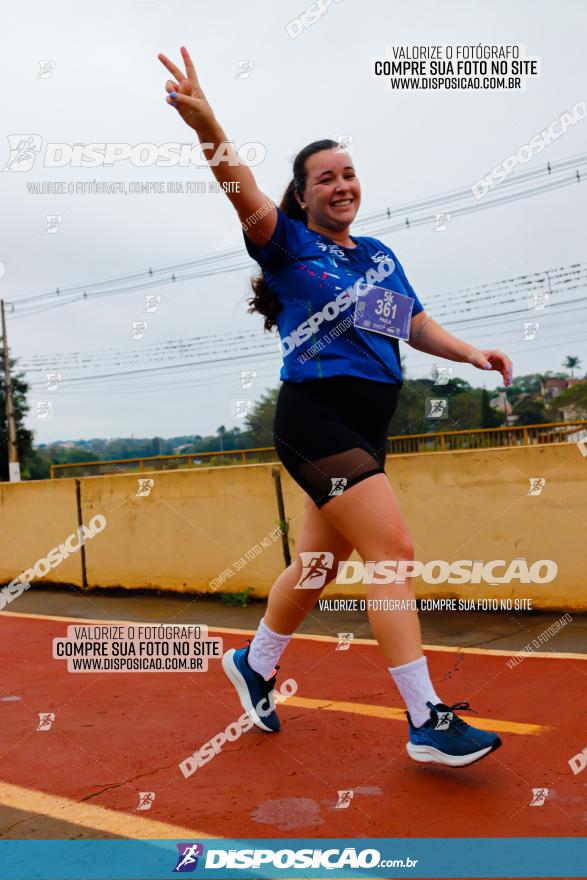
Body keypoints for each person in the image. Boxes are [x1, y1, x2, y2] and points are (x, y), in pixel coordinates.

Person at [159, 46, 514, 767]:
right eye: (325, 178)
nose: (341, 184)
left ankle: (254, 663)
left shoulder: (374, 257)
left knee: (315, 567)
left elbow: (410, 324)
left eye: (348, 173)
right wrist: (207, 125)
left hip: (364, 429)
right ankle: (424, 720)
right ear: (303, 194)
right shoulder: (287, 247)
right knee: (394, 553)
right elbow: (240, 189)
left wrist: (472, 352)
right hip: (314, 420)